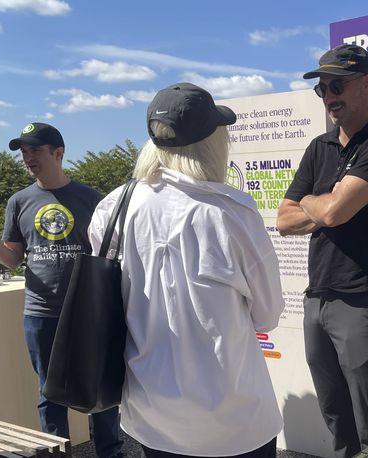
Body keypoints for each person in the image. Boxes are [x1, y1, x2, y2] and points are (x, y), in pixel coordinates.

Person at [89, 82, 285, 458]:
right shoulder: (232, 212)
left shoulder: (113, 209)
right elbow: (268, 314)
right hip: (234, 418)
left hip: (152, 412)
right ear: (211, 143)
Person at [277, 44, 368, 457]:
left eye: (337, 85)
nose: (329, 96)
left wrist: (319, 203)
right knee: (335, 414)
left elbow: (333, 212)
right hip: (318, 297)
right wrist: (330, 202)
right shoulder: (320, 147)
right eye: (322, 88)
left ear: (367, 83)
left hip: (362, 299)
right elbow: (284, 220)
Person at [0, 122, 123, 457]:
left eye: (35, 150)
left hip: (85, 310)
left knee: (99, 384)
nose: (27, 157)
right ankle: (56, 452)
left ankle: (111, 452)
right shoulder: (18, 202)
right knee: (49, 393)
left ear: (58, 153)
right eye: (24, 152)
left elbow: (107, 255)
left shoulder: (92, 199)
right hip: (41, 312)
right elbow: (12, 260)